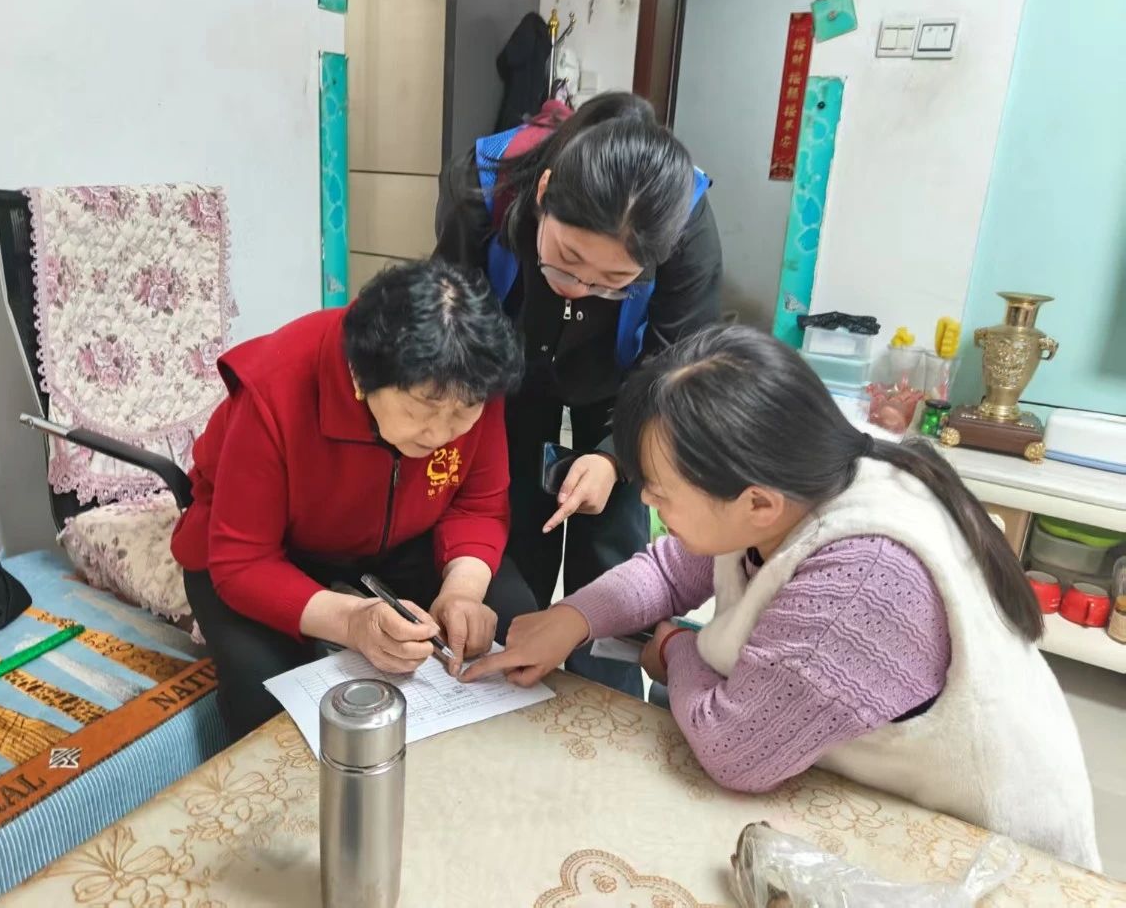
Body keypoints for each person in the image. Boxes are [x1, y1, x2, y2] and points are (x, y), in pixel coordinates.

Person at [465, 326, 1100, 870]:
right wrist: (574, 617)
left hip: (985, 849)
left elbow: (732, 750)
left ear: (756, 504)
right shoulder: (790, 480)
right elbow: (669, 568)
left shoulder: (860, 583)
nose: (650, 503)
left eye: (660, 492)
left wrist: (675, 648)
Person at [435, 91, 723, 696]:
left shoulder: (685, 220)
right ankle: (508, 677)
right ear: (543, 193)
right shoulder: (483, 185)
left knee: (613, 537)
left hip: (627, 383)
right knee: (511, 517)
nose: (579, 288)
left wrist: (615, 457)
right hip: (509, 362)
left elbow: (674, 366)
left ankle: (604, 700)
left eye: (613, 281)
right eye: (566, 260)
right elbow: (455, 317)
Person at [173, 259, 533, 740]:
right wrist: (352, 622)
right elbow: (242, 560)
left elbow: (477, 504)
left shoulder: (471, 379)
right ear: (361, 378)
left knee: (513, 620)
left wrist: (462, 591)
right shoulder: (275, 388)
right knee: (264, 691)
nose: (441, 434)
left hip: (408, 534)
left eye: (463, 413)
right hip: (276, 552)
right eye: (421, 410)